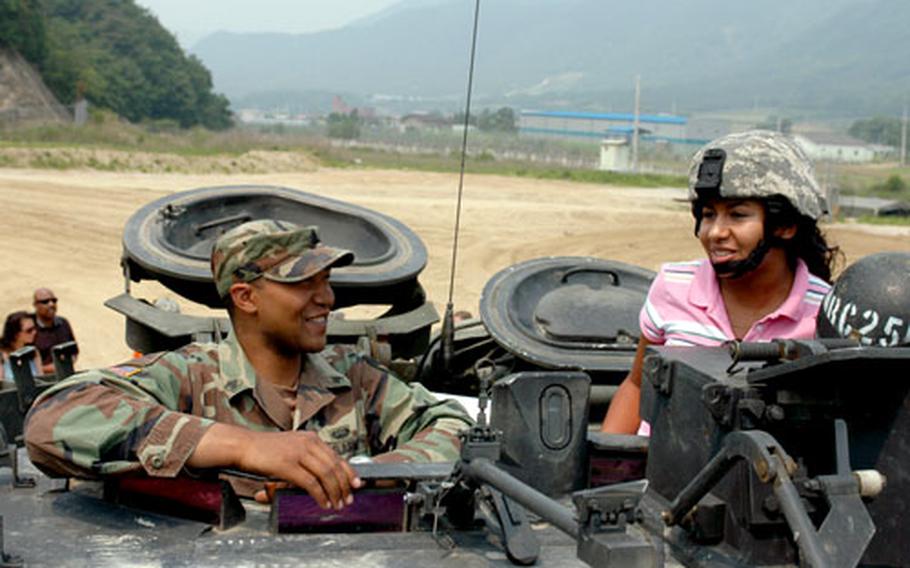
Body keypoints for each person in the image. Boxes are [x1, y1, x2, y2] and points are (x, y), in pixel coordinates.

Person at [25, 220, 474, 510]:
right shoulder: (191, 376)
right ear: (246, 297)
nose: (327, 298)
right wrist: (242, 447)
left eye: (327, 281)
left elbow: (453, 424)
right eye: (303, 282)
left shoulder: (352, 376)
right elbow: (53, 418)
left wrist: (366, 475)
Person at [601, 130, 840, 434]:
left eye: (737, 215)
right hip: (661, 473)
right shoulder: (673, 286)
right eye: (708, 214)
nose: (715, 232)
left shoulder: (825, 311)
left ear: (785, 225)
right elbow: (636, 386)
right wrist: (607, 473)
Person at [32, 287, 78, 374]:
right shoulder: (30, 329)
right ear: (35, 305)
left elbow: (74, 351)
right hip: (40, 380)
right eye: (45, 302)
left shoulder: (63, 323)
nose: (51, 304)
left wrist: (68, 362)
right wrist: (49, 368)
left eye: (54, 300)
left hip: (65, 375)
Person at [0, 311, 42, 380]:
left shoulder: (34, 352)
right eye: (29, 330)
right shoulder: (2, 355)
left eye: (35, 328)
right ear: (16, 334)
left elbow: (41, 378)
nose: (35, 332)